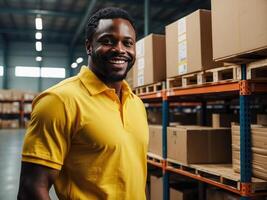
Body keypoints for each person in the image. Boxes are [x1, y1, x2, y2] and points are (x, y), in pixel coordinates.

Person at [18, 7, 149, 200]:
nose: (120, 49)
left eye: (127, 43)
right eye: (107, 41)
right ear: (89, 46)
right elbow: (32, 189)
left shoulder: (136, 103)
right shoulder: (59, 101)